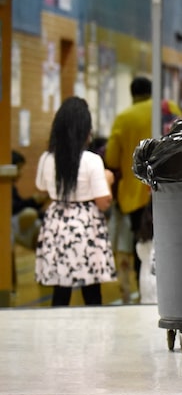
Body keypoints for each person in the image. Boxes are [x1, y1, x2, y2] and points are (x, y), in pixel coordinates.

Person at [35, 97, 117, 306]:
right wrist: (108, 179)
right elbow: (103, 202)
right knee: (92, 291)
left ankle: (55, 333)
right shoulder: (92, 160)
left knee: (60, 290)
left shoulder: (47, 158)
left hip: (56, 223)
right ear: (85, 128)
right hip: (86, 225)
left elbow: (42, 188)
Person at [105, 76, 181, 289]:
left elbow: (111, 158)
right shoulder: (169, 108)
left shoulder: (124, 118)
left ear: (132, 95)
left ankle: (143, 287)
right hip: (168, 188)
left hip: (135, 195)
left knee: (142, 243)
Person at [11, 150, 46, 251]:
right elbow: (13, 208)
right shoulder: (4, 187)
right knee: (29, 214)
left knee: (39, 225)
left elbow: (19, 205)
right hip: (9, 223)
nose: (21, 173)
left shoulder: (12, 187)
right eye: (19, 169)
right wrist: (32, 201)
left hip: (17, 223)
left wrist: (39, 202)